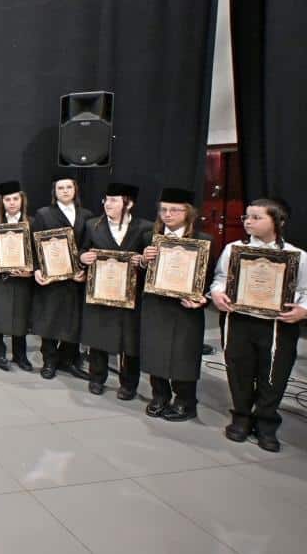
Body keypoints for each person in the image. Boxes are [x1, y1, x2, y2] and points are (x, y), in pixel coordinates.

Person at [210, 198, 307, 452]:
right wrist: (217, 294)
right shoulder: (233, 249)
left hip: (277, 325)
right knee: (238, 369)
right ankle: (241, 416)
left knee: (274, 374)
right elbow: (220, 279)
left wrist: (303, 310)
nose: (248, 222)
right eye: (246, 217)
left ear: (278, 221)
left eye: (256, 217)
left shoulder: (296, 255)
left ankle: (266, 422)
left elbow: (306, 290)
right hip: (239, 320)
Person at [139, 188, 213, 421]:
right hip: (155, 304)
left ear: (188, 212)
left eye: (174, 210)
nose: (167, 214)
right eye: (163, 210)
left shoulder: (204, 241)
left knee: (184, 354)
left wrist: (204, 299)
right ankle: (159, 396)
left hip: (185, 307)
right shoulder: (149, 238)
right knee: (155, 351)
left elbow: (212, 279)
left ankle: (185, 402)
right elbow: (137, 274)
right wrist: (143, 261)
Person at [79, 183, 152, 398]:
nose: (107, 204)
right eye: (106, 200)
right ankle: (96, 377)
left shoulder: (144, 228)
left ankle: (129, 384)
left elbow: (151, 260)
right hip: (100, 290)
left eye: (113, 200)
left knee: (130, 340)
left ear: (128, 203)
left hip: (130, 293)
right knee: (98, 335)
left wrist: (143, 261)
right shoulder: (93, 225)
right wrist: (82, 257)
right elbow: (82, 249)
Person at [31, 178, 92, 380]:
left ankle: (68, 360)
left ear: (75, 189)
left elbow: (88, 245)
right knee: (50, 320)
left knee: (73, 321)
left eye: (69, 187)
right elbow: (34, 245)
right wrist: (37, 269)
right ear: (54, 191)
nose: (65, 191)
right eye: (60, 188)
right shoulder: (44, 214)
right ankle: (49, 361)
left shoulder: (86, 215)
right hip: (51, 278)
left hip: (76, 278)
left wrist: (84, 269)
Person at [0, 181, 35, 371]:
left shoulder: (32, 223)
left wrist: (30, 271)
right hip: (0, 280)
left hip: (23, 279)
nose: (12, 203)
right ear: (2, 202)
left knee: (20, 318)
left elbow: (38, 252)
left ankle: (20, 356)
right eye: (8, 199)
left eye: (15, 199)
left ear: (22, 200)